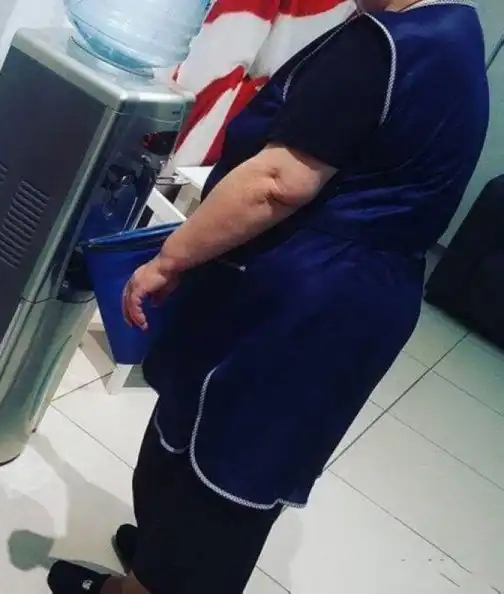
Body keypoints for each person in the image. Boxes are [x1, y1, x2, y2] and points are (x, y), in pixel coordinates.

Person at [48, 0, 489, 593]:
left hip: (306, 296)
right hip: (367, 293)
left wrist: (170, 258)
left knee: (222, 464)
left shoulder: (379, 48)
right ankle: (158, 560)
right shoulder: (455, 30)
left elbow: (277, 183)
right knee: (240, 451)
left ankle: (151, 583)